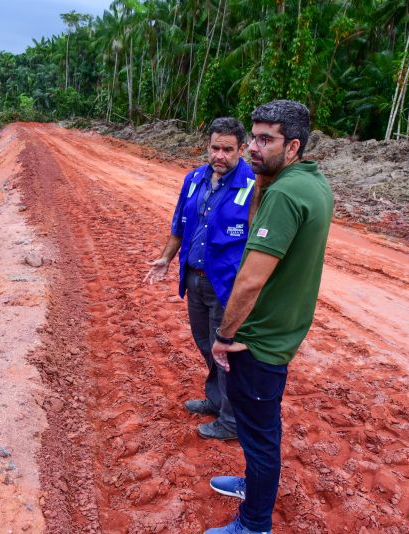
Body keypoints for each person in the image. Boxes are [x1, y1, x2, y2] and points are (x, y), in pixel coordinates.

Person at [204, 101, 334, 534]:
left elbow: (250, 281)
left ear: (292, 145)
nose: (254, 148)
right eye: (253, 138)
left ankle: (254, 522)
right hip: (281, 331)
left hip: (258, 341)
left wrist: (224, 335)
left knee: (260, 434)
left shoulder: (283, 194)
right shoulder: (311, 183)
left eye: (265, 140)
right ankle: (252, 485)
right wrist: (263, 178)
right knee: (260, 427)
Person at [145, 117, 255, 441]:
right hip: (194, 278)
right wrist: (166, 258)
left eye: (227, 149)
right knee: (206, 344)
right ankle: (217, 399)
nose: (219, 155)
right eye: (214, 147)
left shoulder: (254, 187)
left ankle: (232, 421)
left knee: (226, 351)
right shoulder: (194, 180)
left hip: (227, 285)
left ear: (241, 149)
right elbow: (179, 225)